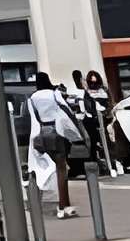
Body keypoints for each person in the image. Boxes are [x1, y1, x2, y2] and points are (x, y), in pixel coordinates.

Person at [27, 72, 86, 219]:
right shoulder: (54, 94)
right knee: (62, 168)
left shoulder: (32, 98)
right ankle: (63, 205)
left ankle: (50, 202)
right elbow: (65, 110)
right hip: (56, 131)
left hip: (41, 133)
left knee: (46, 167)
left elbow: (33, 117)